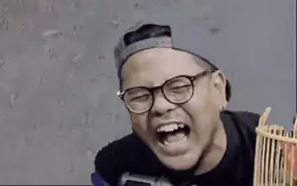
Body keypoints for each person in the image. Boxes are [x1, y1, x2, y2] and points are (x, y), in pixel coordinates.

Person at [93, 22, 260, 185]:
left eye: (178, 87)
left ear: (218, 89)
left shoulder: (266, 147)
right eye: (139, 96)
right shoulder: (115, 167)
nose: (160, 106)